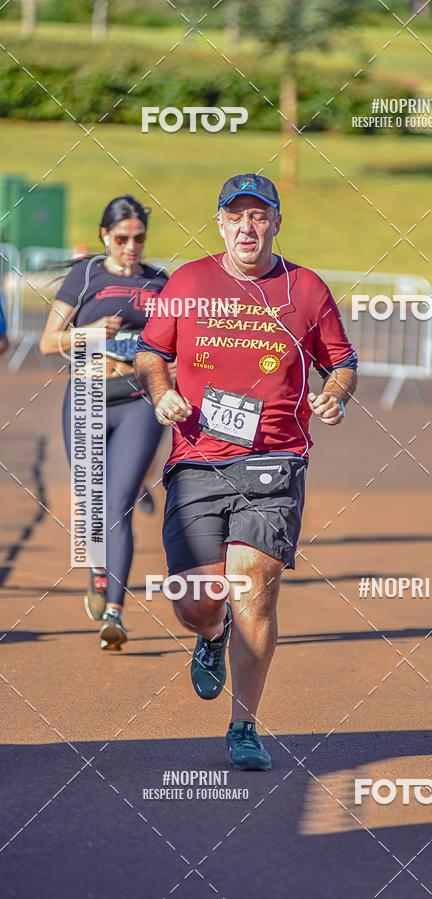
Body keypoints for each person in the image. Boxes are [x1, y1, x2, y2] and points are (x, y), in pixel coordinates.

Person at [135, 173, 358, 770]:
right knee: (198, 602)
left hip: (274, 458)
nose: (247, 226)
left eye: (259, 216)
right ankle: (210, 637)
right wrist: (161, 394)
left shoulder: (305, 288)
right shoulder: (188, 282)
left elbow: (342, 360)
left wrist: (335, 392)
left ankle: (244, 726)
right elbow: (151, 353)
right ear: (220, 223)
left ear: (276, 223)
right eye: (236, 216)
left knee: (253, 591)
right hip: (196, 458)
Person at [40, 195, 168, 650]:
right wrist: (93, 333)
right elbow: (48, 342)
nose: (130, 247)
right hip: (89, 395)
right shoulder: (87, 275)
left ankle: (114, 612)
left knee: (118, 506)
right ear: (104, 236)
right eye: (121, 238)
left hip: (137, 399)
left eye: (138, 238)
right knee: (93, 502)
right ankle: (97, 570)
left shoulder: (159, 283)